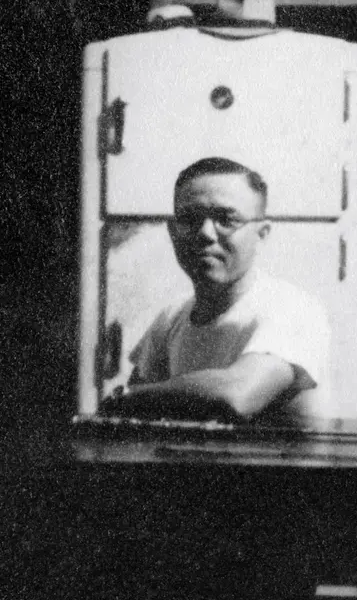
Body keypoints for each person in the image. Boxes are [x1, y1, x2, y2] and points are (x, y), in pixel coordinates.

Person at [99, 156, 333, 429]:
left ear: (262, 233)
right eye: (190, 219)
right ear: (173, 232)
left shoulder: (292, 308)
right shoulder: (171, 318)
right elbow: (129, 421)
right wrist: (130, 400)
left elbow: (238, 395)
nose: (206, 233)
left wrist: (127, 398)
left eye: (226, 219)